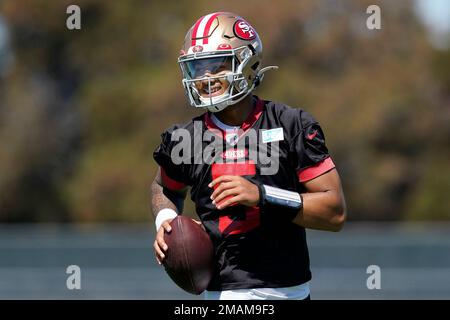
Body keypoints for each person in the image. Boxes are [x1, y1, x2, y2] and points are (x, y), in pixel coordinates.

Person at [151, 12, 347, 300]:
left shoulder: (290, 125)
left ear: (247, 63)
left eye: (215, 65)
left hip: (286, 292)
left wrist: (263, 196)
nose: (205, 77)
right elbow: (163, 186)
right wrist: (166, 221)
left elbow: (334, 212)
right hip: (221, 295)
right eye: (197, 68)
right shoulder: (185, 138)